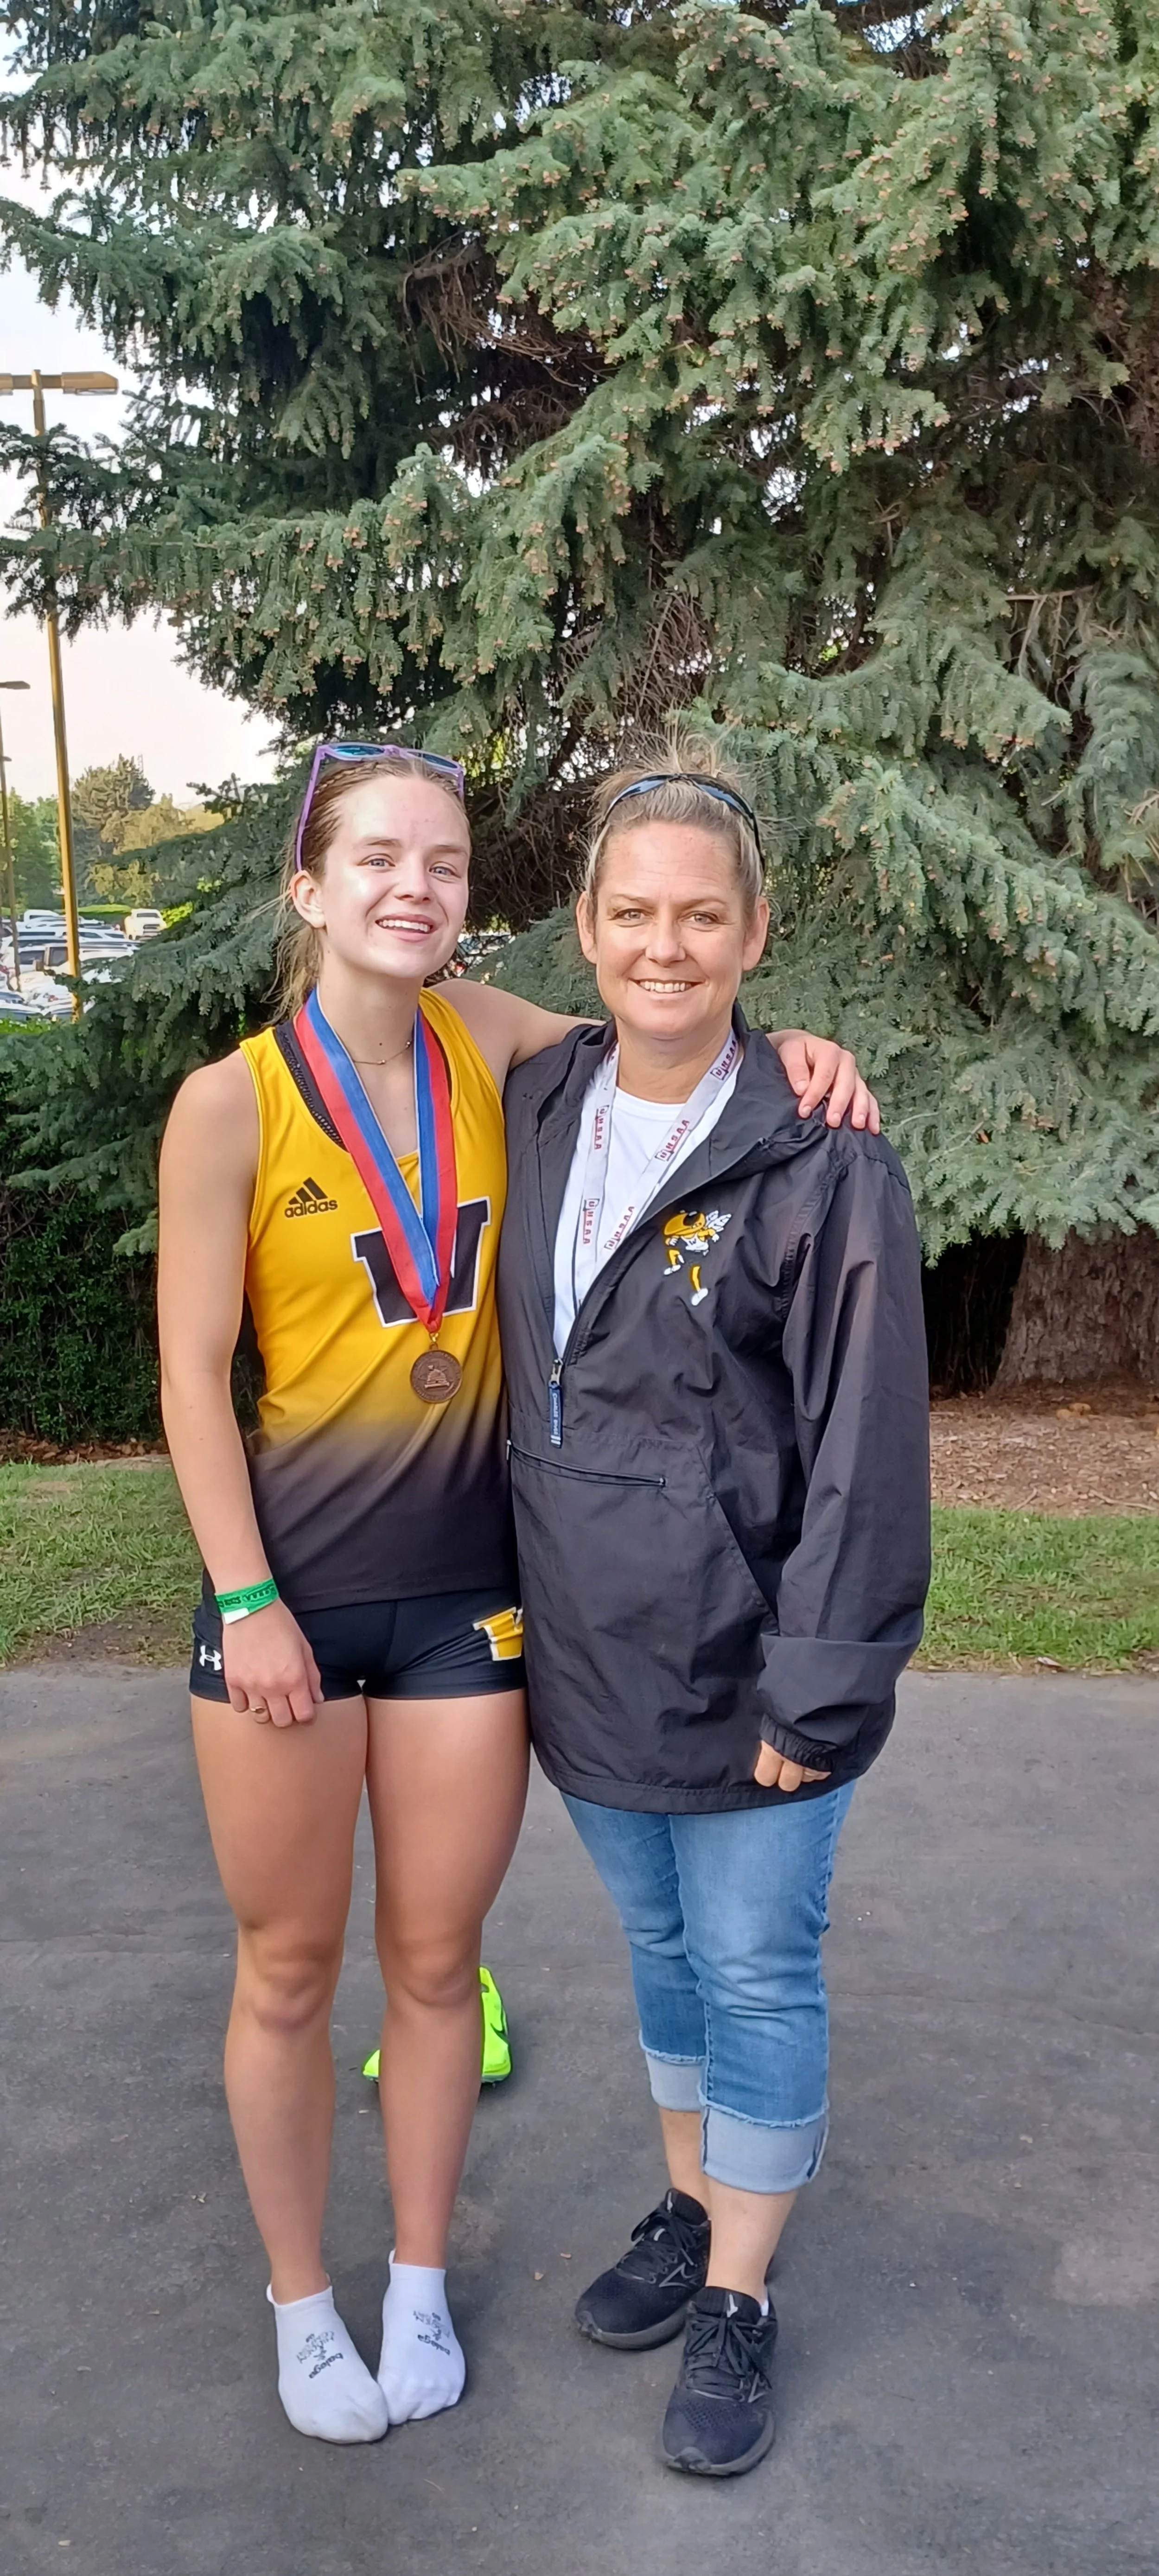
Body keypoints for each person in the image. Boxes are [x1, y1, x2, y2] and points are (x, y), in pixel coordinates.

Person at [156, 739, 877, 2447]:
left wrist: (799, 1051)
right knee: (284, 1966)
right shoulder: (228, 1101)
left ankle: (415, 2281)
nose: (415, 886)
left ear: (478, 896)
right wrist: (245, 1595)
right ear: (307, 884)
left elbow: (679, 1035)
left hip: (468, 1605)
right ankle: (298, 2306)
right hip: (286, 1602)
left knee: (433, 1963)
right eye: (379, 858)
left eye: (446, 862)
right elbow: (191, 1376)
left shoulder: (494, 1043)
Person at [497, 737, 931, 2479]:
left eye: (698, 915)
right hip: (586, 1659)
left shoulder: (825, 1161)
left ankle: (740, 2288)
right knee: (662, 1950)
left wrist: (814, 1693)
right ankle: (689, 2201)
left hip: (752, 1667)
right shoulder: (535, 1098)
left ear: (755, 936)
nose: (660, 944)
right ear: (586, 929)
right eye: (628, 912)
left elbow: (863, 1461)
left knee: (755, 1965)